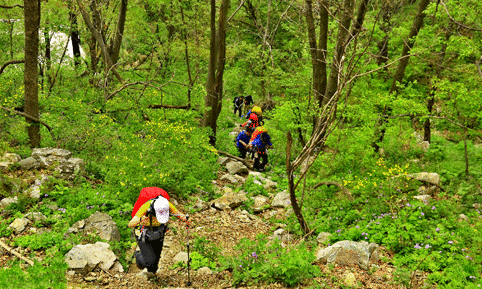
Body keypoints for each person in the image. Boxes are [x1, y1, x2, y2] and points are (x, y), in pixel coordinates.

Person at [128, 187, 187, 278]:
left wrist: (185, 218)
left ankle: (152, 276)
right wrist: (140, 219)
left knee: (155, 262)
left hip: (159, 233)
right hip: (144, 234)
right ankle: (138, 256)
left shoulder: (166, 204)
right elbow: (130, 224)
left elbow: (177, 213)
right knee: (149, 262)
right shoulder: (147, 206)